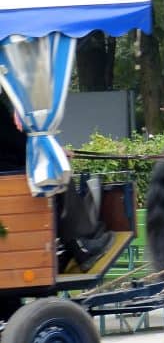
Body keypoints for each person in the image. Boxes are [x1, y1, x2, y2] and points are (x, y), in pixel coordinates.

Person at [0, 97, 112, 271]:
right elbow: (11, 139)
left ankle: (69, 247)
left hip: (8, 165)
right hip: (7, 170)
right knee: (57, 176)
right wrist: (50, 152)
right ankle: (80, 247)